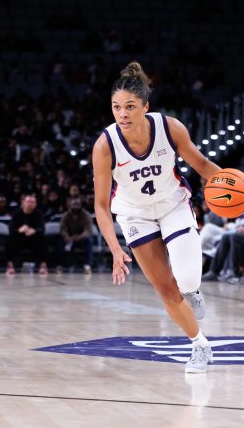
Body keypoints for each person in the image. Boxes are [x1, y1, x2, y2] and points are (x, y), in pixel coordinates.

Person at [93, 62, 222, 374]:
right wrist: (114, 249)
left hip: (172, 205)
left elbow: (203, 165)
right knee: (165, 288)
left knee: (187, 280)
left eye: (130, 107)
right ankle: (200, 345)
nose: (122, 114)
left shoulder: (170, 128)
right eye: (116, 107)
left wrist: (236, 185)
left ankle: (192, 292)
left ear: (145, 107)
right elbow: (100, 205)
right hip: (135, 214)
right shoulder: (105, 145)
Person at [5, 193, 48, 276]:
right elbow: (11, 230)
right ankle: (10, 266)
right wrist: (19, 230)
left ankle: (43, 266)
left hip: (33, 239)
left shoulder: (39, 214)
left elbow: (42, 229)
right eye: (28, 201)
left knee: (43, 239)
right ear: (23, 202)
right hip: (20, 239)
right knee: (9, 240)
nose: (30, 204)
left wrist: (34, 231)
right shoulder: (16, 214)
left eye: (33, 202)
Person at [59, 196, 94, 274]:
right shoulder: (66, 215)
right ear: (70, 205)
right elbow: (62, 229)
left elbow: (88, 231)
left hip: (81, 239)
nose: (75, 206)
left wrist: (78, 237)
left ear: (80, 205)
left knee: (89, 241)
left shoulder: (86, 215)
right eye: (73, 204)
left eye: (77, 204)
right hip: (69, 238)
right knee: (60, 241)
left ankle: (87, 265)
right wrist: (66, 236)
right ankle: (60, 265)